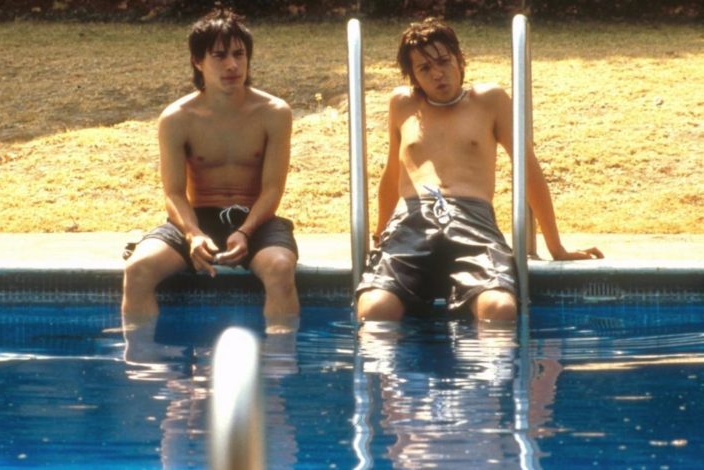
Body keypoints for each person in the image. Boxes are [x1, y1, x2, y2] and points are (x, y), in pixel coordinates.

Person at [356, 18, 603, 323]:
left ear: (460, 60)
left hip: (472, 220)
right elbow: (393, 173)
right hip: (411, 220)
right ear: (414, 77)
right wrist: (380, 235)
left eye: (444, 62)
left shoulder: (489, 100)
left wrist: (556, 247)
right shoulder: (403, 104)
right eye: (424, 68)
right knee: (374, 309)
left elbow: (528, 170)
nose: (437, 74)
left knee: (499, 309)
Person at [122, 8, 299, 336]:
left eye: (239, 55)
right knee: (138, 269)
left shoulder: (274, 113)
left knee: (279, 268)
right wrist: (193, 234)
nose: (232, 65)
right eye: (219, 56)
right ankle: (143, 360)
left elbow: (273, 189)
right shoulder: (177, 118)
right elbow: (174, 193)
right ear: (197, 61)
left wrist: (245, 231)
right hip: (197, 219)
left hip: (255, 219)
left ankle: (279, 362)